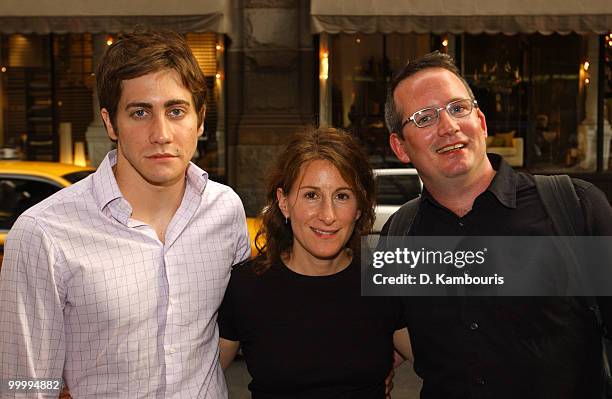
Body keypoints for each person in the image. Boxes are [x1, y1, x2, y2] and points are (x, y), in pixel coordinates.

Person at [0, 29, 250, 398]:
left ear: (199, 120)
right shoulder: (44, 233)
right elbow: (26, 385)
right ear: (110, 123)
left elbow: (224, 335)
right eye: (140, 112)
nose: (161, 133)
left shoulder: (225, 210)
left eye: (176, 110)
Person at [383, 51, 612, 398]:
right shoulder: (400, 235)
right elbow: (386, 334)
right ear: (400, 147)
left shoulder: (575, 207)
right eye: (424, 118)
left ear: (482, 122)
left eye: (458, 108)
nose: (449, 126)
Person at [218, 127, 412, 398]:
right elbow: (200, 377)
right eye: (311, 195)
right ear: (284, 202)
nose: (328, 215)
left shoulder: (383, 276)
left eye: (342, 196)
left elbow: (447, 360)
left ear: (359, 208)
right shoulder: (246, 286)